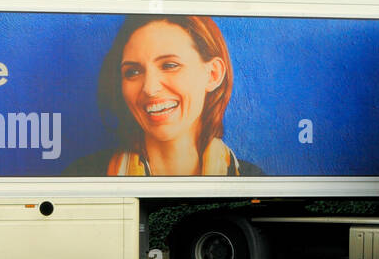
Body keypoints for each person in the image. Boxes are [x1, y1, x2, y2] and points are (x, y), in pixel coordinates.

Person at [70, 15, 260, 176]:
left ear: (213, 74)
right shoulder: (82, 174)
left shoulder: (252, 179)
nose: (150, 88)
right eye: (133, 72)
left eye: (170, 65)